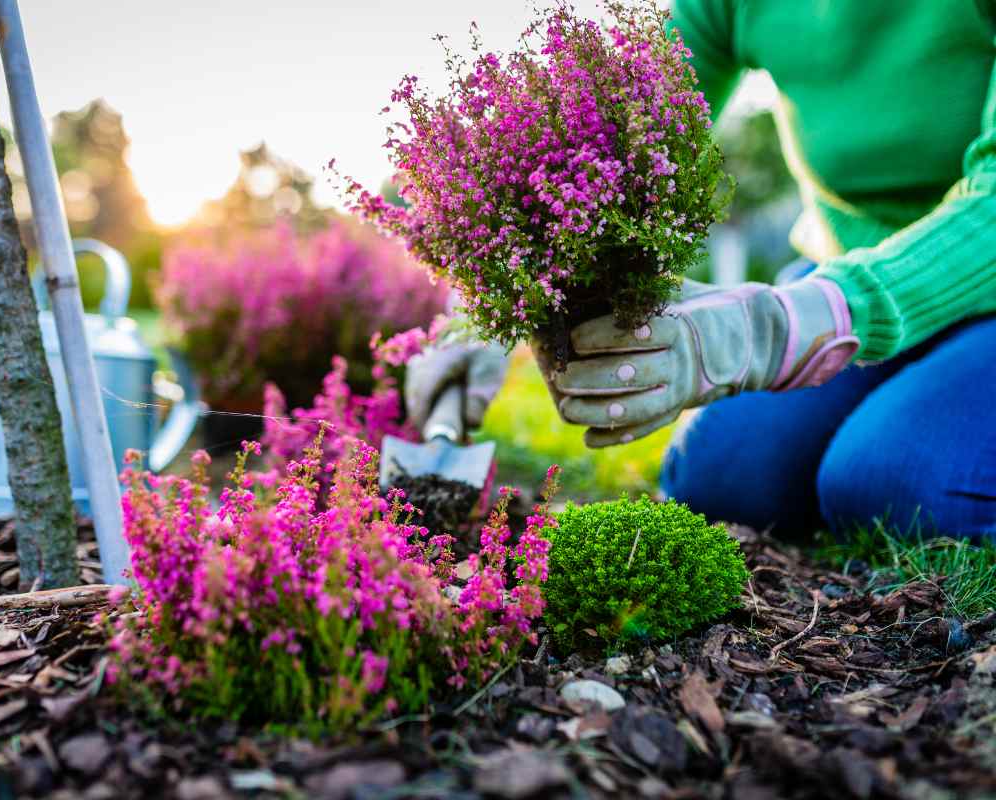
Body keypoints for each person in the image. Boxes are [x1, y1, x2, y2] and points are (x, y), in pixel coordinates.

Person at [405, 0, 996, 539]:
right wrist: (483, 308)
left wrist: (780, 326)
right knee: (723, 479)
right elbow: (611, 140)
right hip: (842, 268)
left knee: (893, 483)